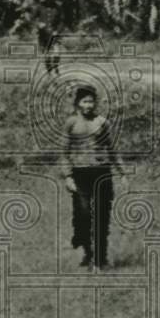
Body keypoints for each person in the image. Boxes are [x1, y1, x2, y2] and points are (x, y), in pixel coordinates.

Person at [63, 85, 125, 270]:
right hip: (80, 173)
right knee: (83, 214)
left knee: (101, 216)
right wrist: (68, 176)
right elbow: (64, 153)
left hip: (101, 172)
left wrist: (122, 173)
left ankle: (99, 259)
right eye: (85, 101)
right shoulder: (71, 123)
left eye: (91, 101)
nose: (88, 105)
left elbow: (112, 150)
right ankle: (86, 250)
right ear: (78, 103)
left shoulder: (102, 122)